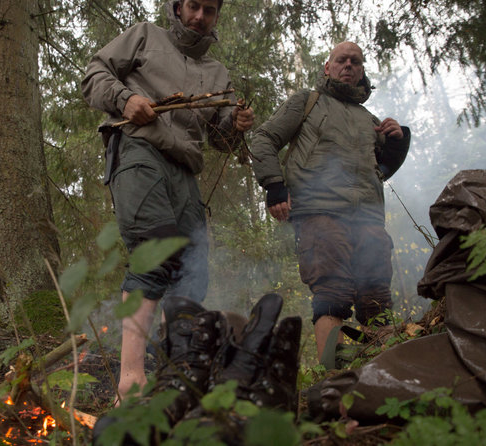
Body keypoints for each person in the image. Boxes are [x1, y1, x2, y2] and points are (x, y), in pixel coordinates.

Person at [82, 0, 254, 402]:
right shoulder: (145, 35)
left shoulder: (217, 73)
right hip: (139, 148)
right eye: (193, 6)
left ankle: (173, 376)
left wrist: (236, 126)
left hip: (186, 170)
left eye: (209, 10)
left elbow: (220, 140)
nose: (199, 16)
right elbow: (94, 74)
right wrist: (125, 99)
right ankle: (131, 382)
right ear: (177, 7)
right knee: (154, 253)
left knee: (192, 273)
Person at [250, 41, 410, 363]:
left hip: (367, 217)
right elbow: (263, 138)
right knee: (332, 292)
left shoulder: (370, 119)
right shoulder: (307, 102)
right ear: (328, 67)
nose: (348, 66)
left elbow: (379, 171)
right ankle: (329, 379)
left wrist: (397, 141)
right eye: (341, 60)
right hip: (318, 209)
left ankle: (383, 376)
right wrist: (274, 186)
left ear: (362, 70)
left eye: (355, 62)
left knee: (377, 295)